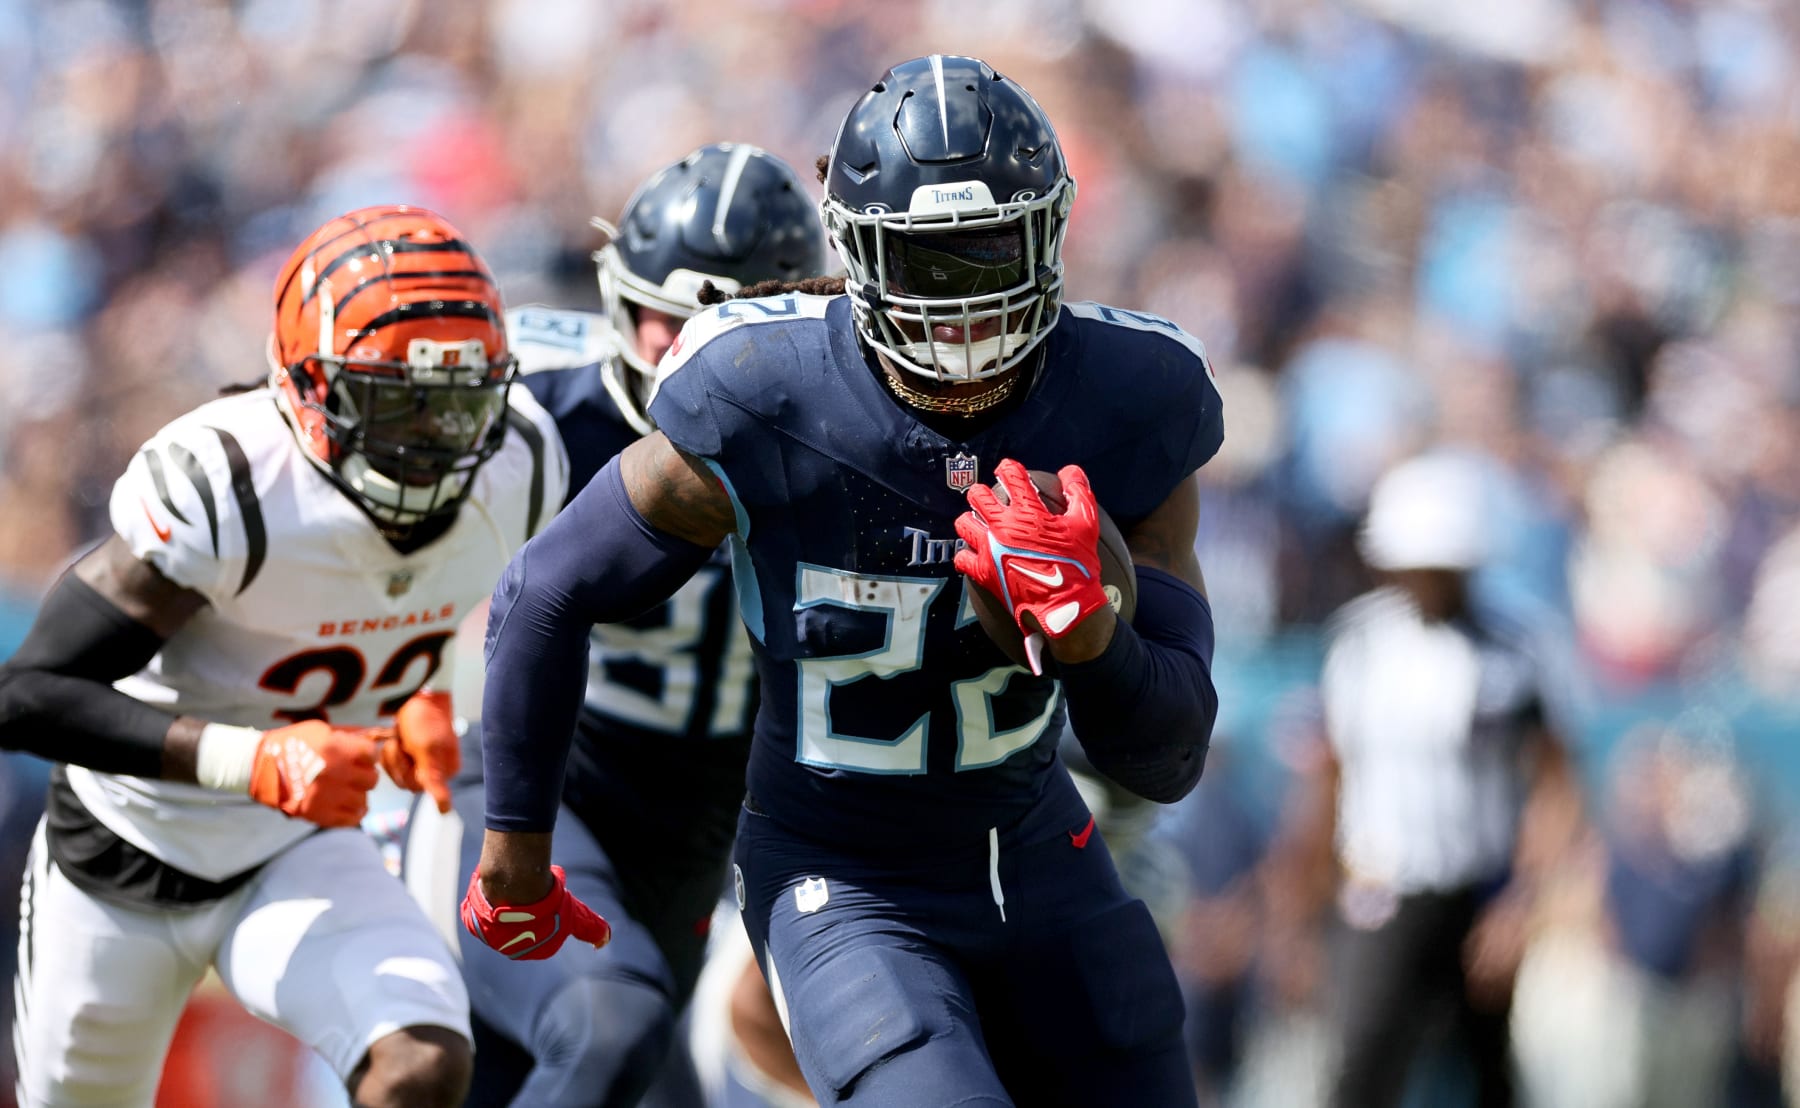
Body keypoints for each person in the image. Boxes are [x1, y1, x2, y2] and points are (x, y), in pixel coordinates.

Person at [465, 55, 1223, 1107]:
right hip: (847, 879)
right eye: (929, 261)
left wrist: (1092, 636)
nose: (966, 300)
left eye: (988, 248)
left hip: (1041, 852)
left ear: (1049, 230)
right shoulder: (765, 391)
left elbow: (1168, 754)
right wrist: (514, 843)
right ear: (858, 254)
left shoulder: (1134, 397)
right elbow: (547, 588)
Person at [0, 205, 567, 1108]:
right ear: (306, 390)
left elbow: (387, 608)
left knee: (420, 1064)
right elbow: (24, 695)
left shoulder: (521, 461)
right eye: (399, 404)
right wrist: (252, 758)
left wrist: (407, 694)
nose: (434, 442)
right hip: (125, 853)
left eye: (459, 403)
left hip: (297, 849)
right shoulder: (235, 487)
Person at [402, 142, 828, 1107]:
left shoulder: (844, 430)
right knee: (604, 1032)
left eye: (728, 336)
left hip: (709, 831)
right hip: (542, 788)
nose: (691, 370)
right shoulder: (536, 403)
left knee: (609, 1068)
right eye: (662, 325)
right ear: (613, 301)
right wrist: (406, 687)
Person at [1303, 451, 1581, 1108]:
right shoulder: (1358, 643)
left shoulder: (1518, 648)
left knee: (1492, 1075)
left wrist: (1521, 903)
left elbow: (1556, 782)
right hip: (1383, 891)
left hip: (1481, 892)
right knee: (1361, 1069)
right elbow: (1330, 777)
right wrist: (1312, 904)